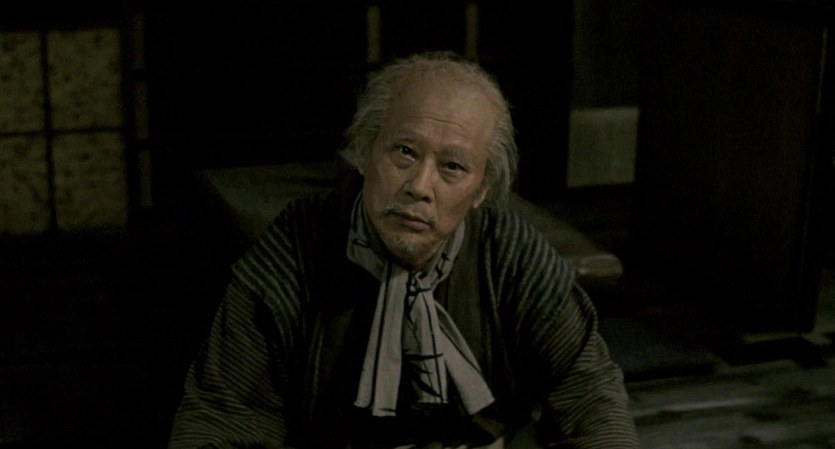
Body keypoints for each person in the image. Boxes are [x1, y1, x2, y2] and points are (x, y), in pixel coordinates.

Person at [168, 51, 640, 449]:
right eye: (405, 152)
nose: (419, 186)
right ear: (363, 150)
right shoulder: (293, 251)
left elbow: (590, 396)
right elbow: (221, 418)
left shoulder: (509, 252)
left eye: (453, 166)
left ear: (481, 189)